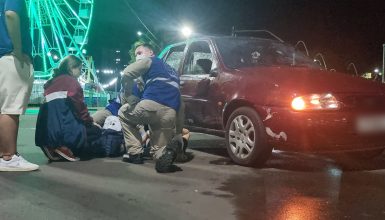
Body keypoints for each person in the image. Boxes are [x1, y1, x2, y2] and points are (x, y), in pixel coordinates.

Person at [118, 42, 181, 173]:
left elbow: (127, 73)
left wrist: (128, 95)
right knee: (157, 151)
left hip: (152, 106)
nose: (137, 57)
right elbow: (182, 103)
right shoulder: (172, 71)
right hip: (170, 113)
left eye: (139, 53)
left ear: (151, 53)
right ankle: (165, 154)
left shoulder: (150, 61)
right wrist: (179, 132)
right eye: (136, 55)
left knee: (123, 113)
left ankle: (135, 153)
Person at [35, 55, 101, 162]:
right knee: (96, 132)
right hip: (63, 132)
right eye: (79, 69)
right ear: (71, 69)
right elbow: (81, 109)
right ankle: (64, 147)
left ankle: (53, 146)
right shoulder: (72, 83)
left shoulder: (50, 83)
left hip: (44, 134)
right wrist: (91, 122)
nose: (81, 72)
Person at [0, 0, 39, 171]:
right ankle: (8, 157)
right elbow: (11, 14)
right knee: (11, 107)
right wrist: (18, 48)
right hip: (11, 56)